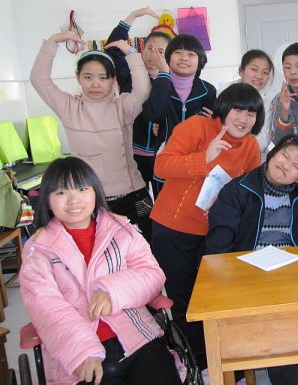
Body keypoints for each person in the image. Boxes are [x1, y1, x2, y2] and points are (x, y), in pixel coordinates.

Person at [20, 156, 180, 385]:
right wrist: (82, 352)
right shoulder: (39, 249)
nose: (74, 200)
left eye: (82, 189)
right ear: (47, 199)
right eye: (62, 192)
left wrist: (112, 292)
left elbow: (152, 275)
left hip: (137, 337)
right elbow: (45, 306)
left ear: (95, 192)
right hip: (77, 352)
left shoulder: (121, 229)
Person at [150, 83, 264, 371]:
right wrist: (204, 159)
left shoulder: (250, 146)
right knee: (183, 301)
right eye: (238, 110)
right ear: (224, 108)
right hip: (173, 228)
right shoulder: (197, 127)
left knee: (214, 299)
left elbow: (251, 191)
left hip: (214, 234)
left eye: (251, 113)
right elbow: (161, 166)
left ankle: (221, 358)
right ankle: (199, 365)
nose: (243, 119)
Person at [206, 134, 298, 385]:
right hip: (248, 279)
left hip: (293, 280)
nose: (286, 165)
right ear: (272, 154)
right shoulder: (238, 190)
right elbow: (218, 248)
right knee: (280, 331)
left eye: (297, 165)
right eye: (284, 155)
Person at [30, 31, 154, 244]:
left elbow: (143, 89)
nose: (95, 83)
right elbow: (38, 80)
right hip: (90, 201)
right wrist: (52, 42)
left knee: (145, 247)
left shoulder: (123, 107)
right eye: (88, 77)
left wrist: (131, 53)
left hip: (133, 195)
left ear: (113, 80)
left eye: (103, 77)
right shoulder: (69, 107)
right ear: (78, 77)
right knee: (97, 254)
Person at [105, 6, 173, 197]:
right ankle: (143, 218)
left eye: (160, 51)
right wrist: (133, 15)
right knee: (139, 203)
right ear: (142, 49)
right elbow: (114, 46)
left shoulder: (173, 82)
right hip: (134, 155)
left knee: (163, 201)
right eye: (149, 48)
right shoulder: (130, 75)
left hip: (162, 156)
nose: (153, 55)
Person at [142, 33, 217, 191]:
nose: (184, 58)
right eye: (178, 53)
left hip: (197, 163)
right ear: (168, 57)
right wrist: (163, 73)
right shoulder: (160, 84)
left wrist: (215, 122)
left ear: (200, 60)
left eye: (191, 54)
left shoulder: (208, 90)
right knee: (165, 204)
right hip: (166, 161)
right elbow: (154, 114)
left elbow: (214, 128)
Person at [270, 43, 298, 143]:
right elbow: (277, 141)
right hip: (291, 153)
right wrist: (285, 111)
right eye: (287, 67)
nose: (293, 72)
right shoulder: (278, 100)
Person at [237, 49, 275, 158]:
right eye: (254, 69)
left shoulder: (268, 104)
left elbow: (264, 140)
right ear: (241, 71)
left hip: (251, 158)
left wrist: (238, 149)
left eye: (265, 72)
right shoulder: (222, 95)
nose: (259, 76)